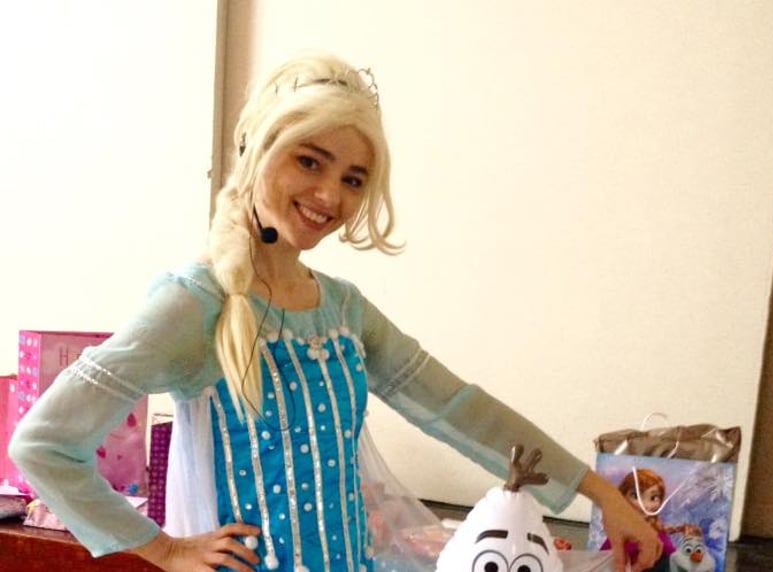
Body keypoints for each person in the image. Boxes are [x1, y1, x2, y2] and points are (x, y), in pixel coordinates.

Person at [9, 52, 661, 572]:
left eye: (353, 178)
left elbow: (460, 407)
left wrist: (603, 495)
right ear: (258, 148)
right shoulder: (195, 302)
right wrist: (166, 549)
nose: (329, 195)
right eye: (309, 161)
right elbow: (43, 444)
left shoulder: (343, 308)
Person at [601, 469, 676, 572]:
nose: (644, 505)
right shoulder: (619, 532)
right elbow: (602, 559)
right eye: (635, 496)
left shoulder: (658, 535)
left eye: (653, 498)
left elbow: (674, 559)